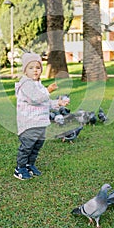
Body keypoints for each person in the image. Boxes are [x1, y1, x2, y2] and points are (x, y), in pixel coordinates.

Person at [14, 52, 69, 180]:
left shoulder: (37, 84)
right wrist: (48, 90)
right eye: (31, 68)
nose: (35, 71)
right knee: (27, 147)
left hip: (41, 122)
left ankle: (30, 164)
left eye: (38, 68)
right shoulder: (25, 84)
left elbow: (45, 101)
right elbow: (35, 99)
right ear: (25, 70)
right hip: (29, 123)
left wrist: (58, 103)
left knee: (37, 146)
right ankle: (20, 168)